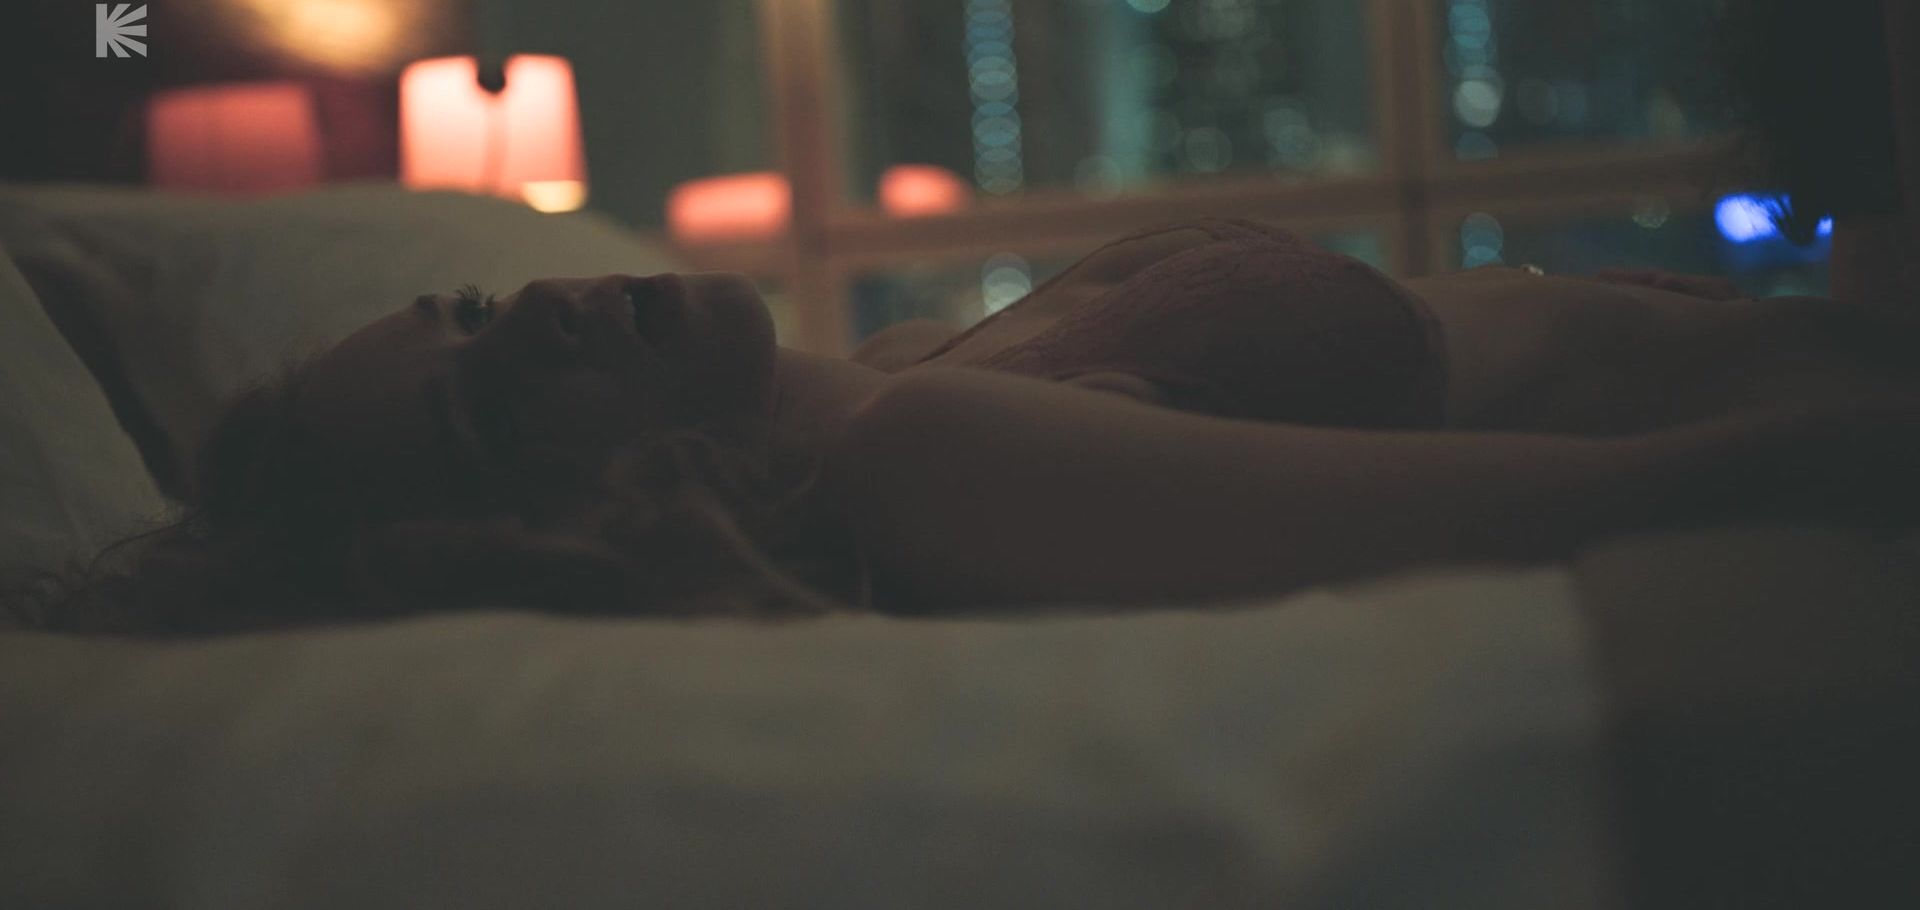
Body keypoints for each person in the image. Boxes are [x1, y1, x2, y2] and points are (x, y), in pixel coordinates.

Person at [28, 218, 1920, 633]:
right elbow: (1604, 505)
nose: (537, 303)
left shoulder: (909, 365)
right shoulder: (932, 461)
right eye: (495, 392)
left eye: (468, 303)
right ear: (565, 517)